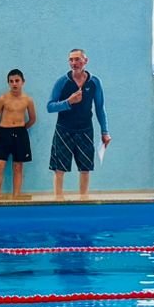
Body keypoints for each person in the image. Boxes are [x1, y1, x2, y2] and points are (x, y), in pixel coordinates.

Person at [47, 48, 109, 197]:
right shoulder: (62, 82)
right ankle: (58, 199)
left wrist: (105, 131)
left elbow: (100, 108)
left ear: (85, 61)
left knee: (85, 168)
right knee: (59, 168)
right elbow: (50, 106)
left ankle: (83, 198)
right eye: (71, 60)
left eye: (77, 59)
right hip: (64, 129)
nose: (74, 63)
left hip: (85, 130)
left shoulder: (94, 82)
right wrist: (68, 102)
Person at [0, 69, 36, 197]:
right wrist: (3, 128)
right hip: (4, 133)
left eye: (17, 81)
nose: (14, 84)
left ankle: (16, 197)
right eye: (11, 81)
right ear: (8, 83)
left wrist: (21, 129)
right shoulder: (2, 99)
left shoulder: (28, 100)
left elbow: (32, 119)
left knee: (18, 166)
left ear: (23, 82)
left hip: (20, 133)